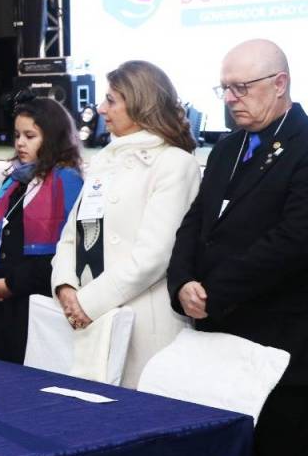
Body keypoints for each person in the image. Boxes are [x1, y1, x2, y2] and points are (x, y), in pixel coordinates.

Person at [167, 39, 308, 456]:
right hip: (224, 353)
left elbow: (293, 243)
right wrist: (181, 283)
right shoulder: (227, 149)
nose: (231, 99)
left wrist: (214, 291)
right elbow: (194, 226)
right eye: (224, 88)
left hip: (289, 359)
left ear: (280, 83)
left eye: (241, 87)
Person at [51, 60, 200, 387]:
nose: (101, 109)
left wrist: (87, 303)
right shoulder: (104, 161)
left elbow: (154, 256)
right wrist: (64, 286)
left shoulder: (175, 163)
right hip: (88, 320)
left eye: (111, 100)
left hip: (142, 327)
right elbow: (71, 237)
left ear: (140, 103)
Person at [0, 97, 84, 363]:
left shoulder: (66, 181)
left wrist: (11, 284)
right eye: (17, 135)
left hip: (33, 304)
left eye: (30, 136)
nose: (20, 143)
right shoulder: (15, 181)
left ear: (53, 138)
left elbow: (64, 252)